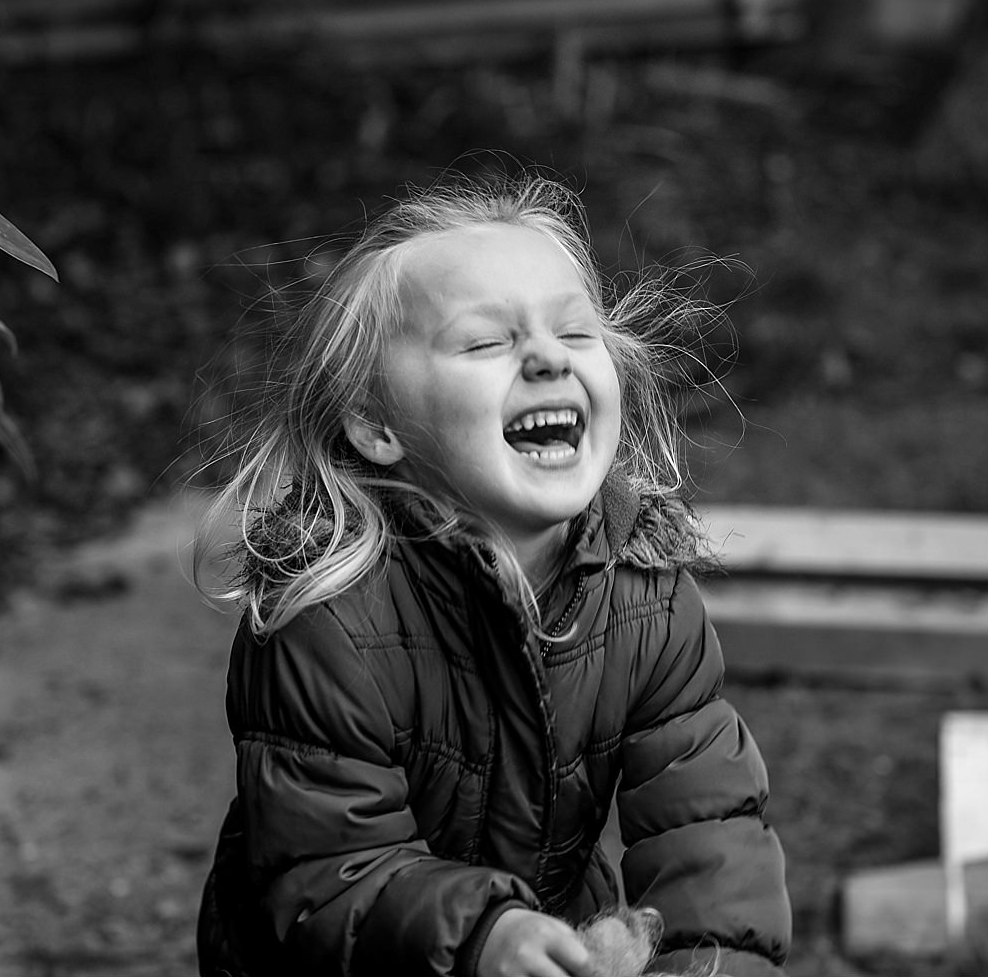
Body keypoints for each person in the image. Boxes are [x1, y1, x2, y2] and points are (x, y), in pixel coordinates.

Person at [194, 176, 789, 976]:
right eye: (485, 342)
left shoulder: (646, 592)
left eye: (577, 333)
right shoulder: (330, 616)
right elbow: (326, 874)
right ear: (374, 422)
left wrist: (707, 967)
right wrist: (480, 933)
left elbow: (711, 833)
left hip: (543, 947)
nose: (548, 357)